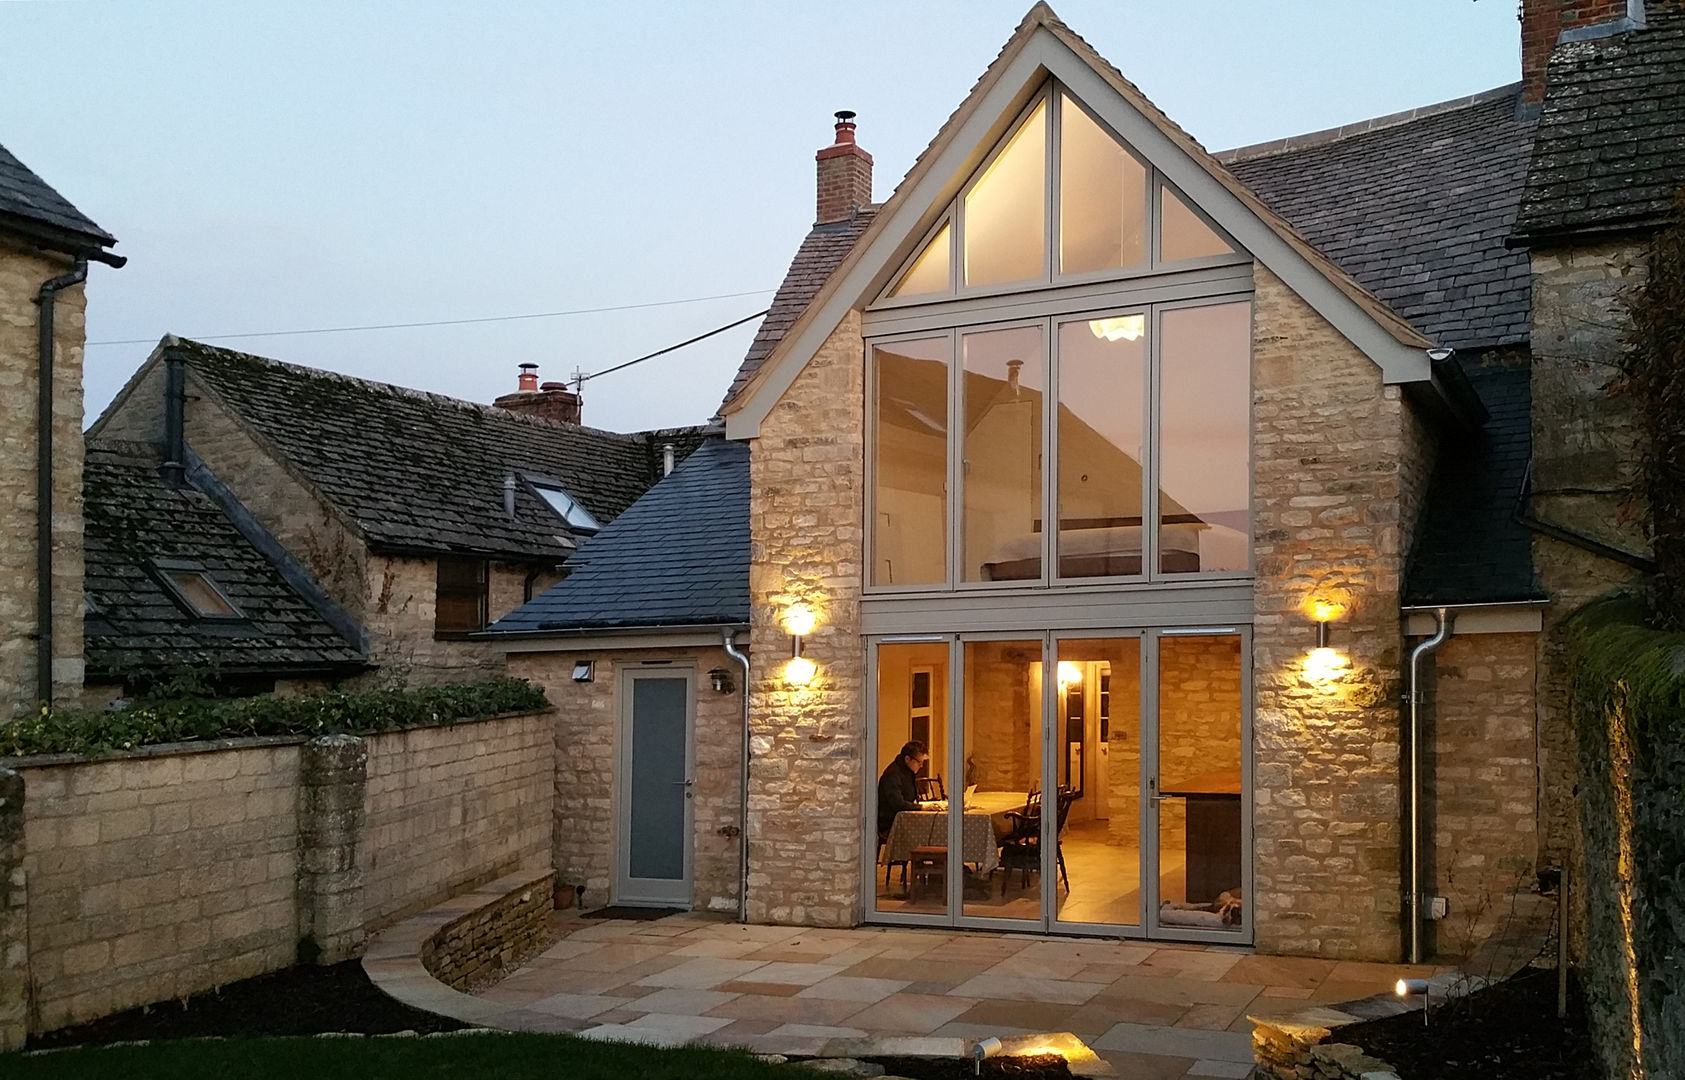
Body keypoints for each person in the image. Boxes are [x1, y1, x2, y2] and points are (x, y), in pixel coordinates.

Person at [877, 740, 928, 838]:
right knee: (925, 832)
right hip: (890, 823)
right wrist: (921, 807)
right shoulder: (893, 775)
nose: (921, 766)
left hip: (903, 819)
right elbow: (898, 804)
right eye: (919, 762)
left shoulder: (908, 772)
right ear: (907, 759)